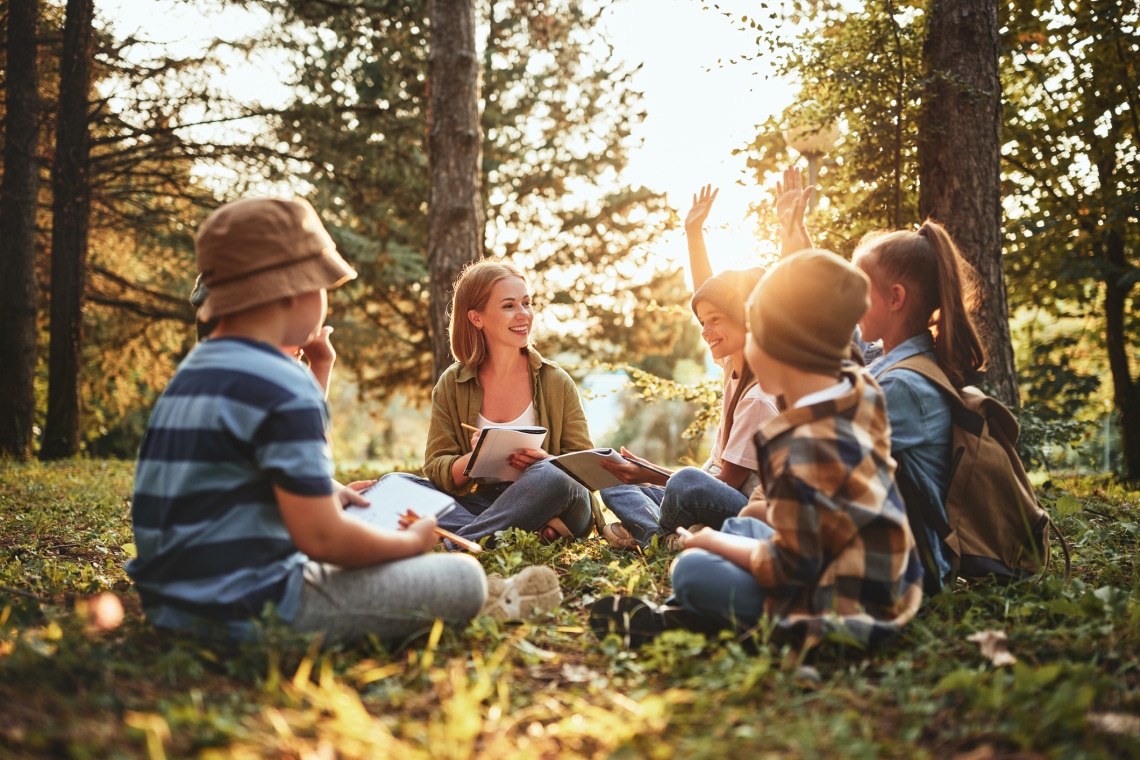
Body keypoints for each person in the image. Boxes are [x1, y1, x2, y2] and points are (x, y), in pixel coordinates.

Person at [127, 197, 487, 643]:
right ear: (294, 290)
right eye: (323, 289)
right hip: (255, 611)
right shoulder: (283, 382)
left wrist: (327, 495)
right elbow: (322, 539)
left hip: (170, 607)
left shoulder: (193, 373)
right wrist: (409, 545)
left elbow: (237, 480)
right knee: (464, 580)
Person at [591, 249, 925, 649]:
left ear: (786, 345)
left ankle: (711, 621)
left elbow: (789, 565)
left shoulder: (804, 441)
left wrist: (712, 542)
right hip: (883, 576)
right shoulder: (857, 390)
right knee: (744, 524)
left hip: (851, 608)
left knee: (694, 569)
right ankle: (696, 616)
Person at [596, 180, 799, 550]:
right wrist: (693, 233)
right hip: (709, 494)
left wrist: (659, 477)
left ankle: (658, 538)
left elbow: (720, 486)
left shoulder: (759, 396)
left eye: (716, 321)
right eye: (703, 322)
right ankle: (671, 535)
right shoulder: (734, 367)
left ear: (749, 318)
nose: (706, 330)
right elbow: (710, 291)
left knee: (685, 482)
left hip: (743, 509)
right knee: (615, 484)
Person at [381, 259, 595, 546]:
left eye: (527, 303)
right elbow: (436, 467)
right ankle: (513, 532)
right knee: (394, 484)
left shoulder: (555, 381)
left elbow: (586, 470)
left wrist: (547, 462)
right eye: (509, 306)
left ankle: (461, 541)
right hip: (485, 504)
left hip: (556, 499)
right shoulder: (452, 384)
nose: (523, 315)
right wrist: (476, 460)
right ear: (476, 318)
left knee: (553, 477)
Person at [852, 221, 986, 591]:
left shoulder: (900, 386)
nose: (850, 301)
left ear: (895, 298)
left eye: (859, 290)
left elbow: (831, 468)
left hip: (907, 568)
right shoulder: (899, 360)